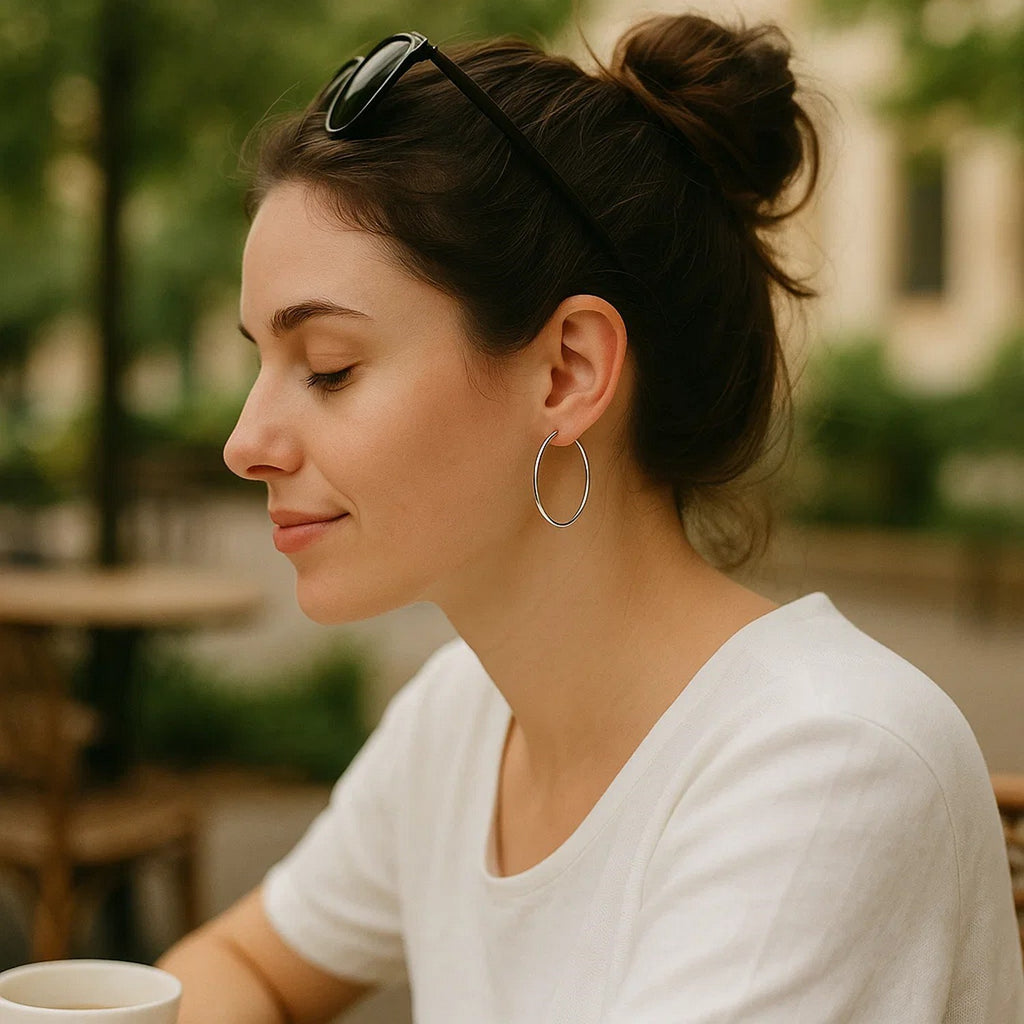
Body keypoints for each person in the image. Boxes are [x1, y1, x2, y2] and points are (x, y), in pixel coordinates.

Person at [156, 12, 1024, 1023]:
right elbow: (240, 965)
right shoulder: (462, 718)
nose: (245, 440)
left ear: (566, 372)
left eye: (328, 369)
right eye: (259, 360)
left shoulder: (827, 768)